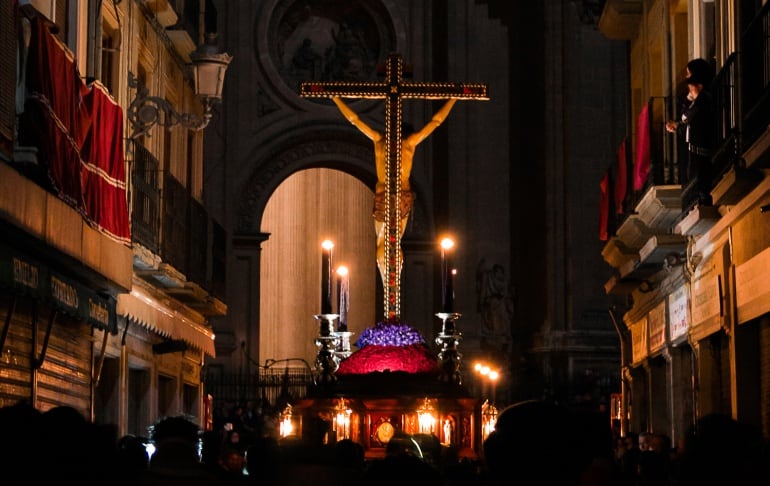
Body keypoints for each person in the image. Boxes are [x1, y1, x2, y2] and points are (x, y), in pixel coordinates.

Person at [332, 96, 458, 284]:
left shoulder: (378, 140)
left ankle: (389, 283)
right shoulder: (409, 143)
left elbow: (354, 119)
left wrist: (335, 98)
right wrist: (453, 99)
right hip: (401, 195)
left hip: (387, 194)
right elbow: (436, 122)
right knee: (393, 240)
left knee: (383, 240)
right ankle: (392, 283)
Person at [665, 58, 715, 209]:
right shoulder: (694, 100)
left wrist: (679, 124)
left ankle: (702, 197)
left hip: (701, 151)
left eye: (689, 74)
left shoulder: (704, 99)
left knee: (699, 174)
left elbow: (689, 117)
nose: (687, 79)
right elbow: (686, 116)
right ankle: (695, 198)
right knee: (692, 174)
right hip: (693, 151)